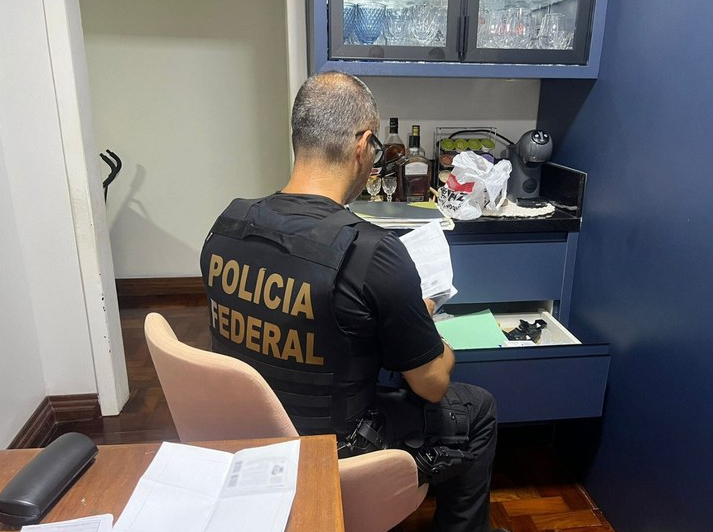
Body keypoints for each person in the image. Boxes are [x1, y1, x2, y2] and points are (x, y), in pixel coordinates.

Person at [200, 71, 504, 532]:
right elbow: (433, 384)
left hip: (251, 436)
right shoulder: (373, 252)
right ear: (363, 146)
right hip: (335, 450)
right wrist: (423, 323)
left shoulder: (228, 226)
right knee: (478, 407)